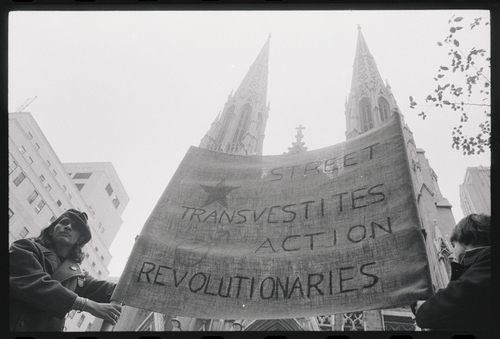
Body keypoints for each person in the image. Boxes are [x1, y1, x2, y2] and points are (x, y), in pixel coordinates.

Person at [10, 209, 122, 332]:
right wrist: (87, 305)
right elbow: (37, 285)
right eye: (64, 223)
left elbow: (111, 291)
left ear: (79, 240)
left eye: (75, 227)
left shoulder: (77, 276)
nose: (68, 227)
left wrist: (136, 281)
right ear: (52, 230)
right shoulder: (25, 247)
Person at [412, 213, 492, 331]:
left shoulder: (489, 259)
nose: (453, 251)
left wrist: (423, 308)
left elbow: (461, 295)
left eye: (453, 245)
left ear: (464, 240)